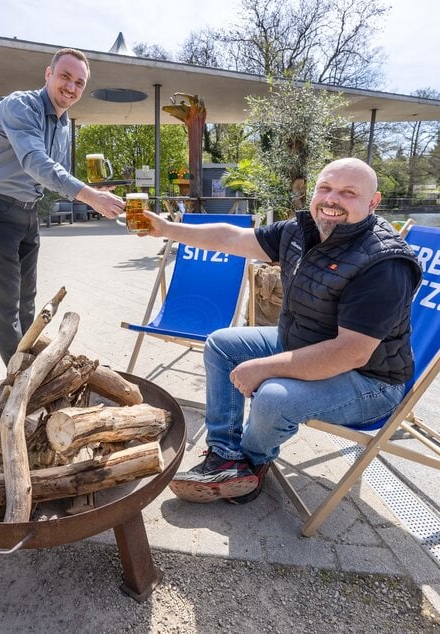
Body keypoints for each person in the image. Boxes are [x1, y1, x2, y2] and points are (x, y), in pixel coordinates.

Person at [141, 158, 422, 504]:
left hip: (369, 381)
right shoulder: (299, 231)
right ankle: (225, 453)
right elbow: (232, 238)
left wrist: (264, 367)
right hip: (304, 343)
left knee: (273, 397)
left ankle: (251, 464)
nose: (332, 200)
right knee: (222, 345)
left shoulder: (384, 263)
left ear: (373, 203)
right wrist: (166, 228)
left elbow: (351, 352)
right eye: (326, 188)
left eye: (348, 193)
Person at [0, 47, 125, 366]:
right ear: (48, 74)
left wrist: (92, 189)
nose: (71, 87)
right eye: (65, 76)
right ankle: (20, 381)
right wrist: (90, 197)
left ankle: (30, 368)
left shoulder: (63, 123)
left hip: (28, 212)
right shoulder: (20, 106)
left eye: (79, 83)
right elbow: (35, 162)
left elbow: (54, 173)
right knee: (6, 306)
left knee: (27, 302)